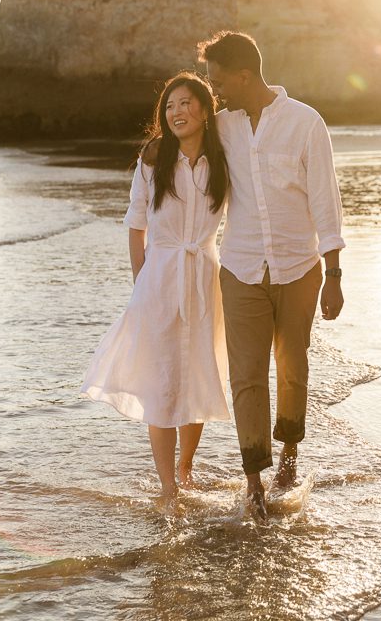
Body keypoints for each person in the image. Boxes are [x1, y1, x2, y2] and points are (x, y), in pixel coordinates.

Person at [198, 31, 346, 521]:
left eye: (220, 81)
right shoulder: (220, 127)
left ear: (245, 76)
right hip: (240, 268)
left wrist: (334, 272)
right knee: (245, 375)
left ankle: (289, 450)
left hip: (299, 268)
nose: (215, 90)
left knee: (291, 363)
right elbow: (178, 146)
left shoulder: (306, 124)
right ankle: (254, 482)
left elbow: (325, 201)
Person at [80, 71, 231, 504]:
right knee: (163, 382)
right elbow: (135, 225)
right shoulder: (152, 160)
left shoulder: (222, 160)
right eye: (169, 106)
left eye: (185, 103)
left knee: (199, 375)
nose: (177, 112)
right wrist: (141, 283)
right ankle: (168, 485)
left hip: (204, 275)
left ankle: (186, 467)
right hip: (159, 279)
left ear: (205, 109)